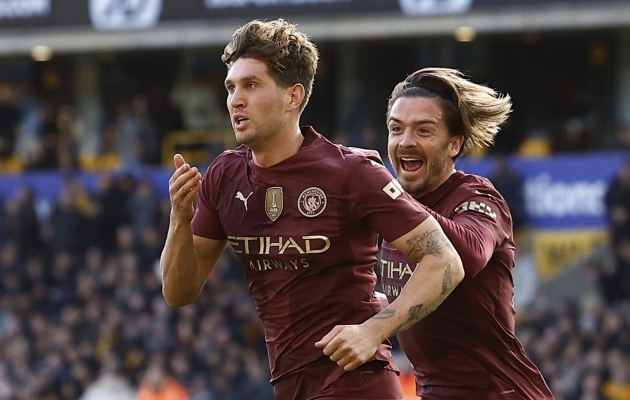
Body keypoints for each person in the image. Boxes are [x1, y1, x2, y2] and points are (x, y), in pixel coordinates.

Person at [160, 19, 464, 400]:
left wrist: (373, 330)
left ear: (294, 96)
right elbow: (177, 292)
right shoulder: (224, 175)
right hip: (289, 386)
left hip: (357, 384)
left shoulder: (350, 172)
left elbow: (445, 261)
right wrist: (180, 217)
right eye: (231, 87)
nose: (236, 100)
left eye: (251, 85)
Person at [378, 67, 554, 399]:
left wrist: (390, 200)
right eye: (396, 129)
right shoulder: (392, 209)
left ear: (454, 144)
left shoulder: (477, 198)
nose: (405, 141)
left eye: (424, 130)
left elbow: (469, 253)